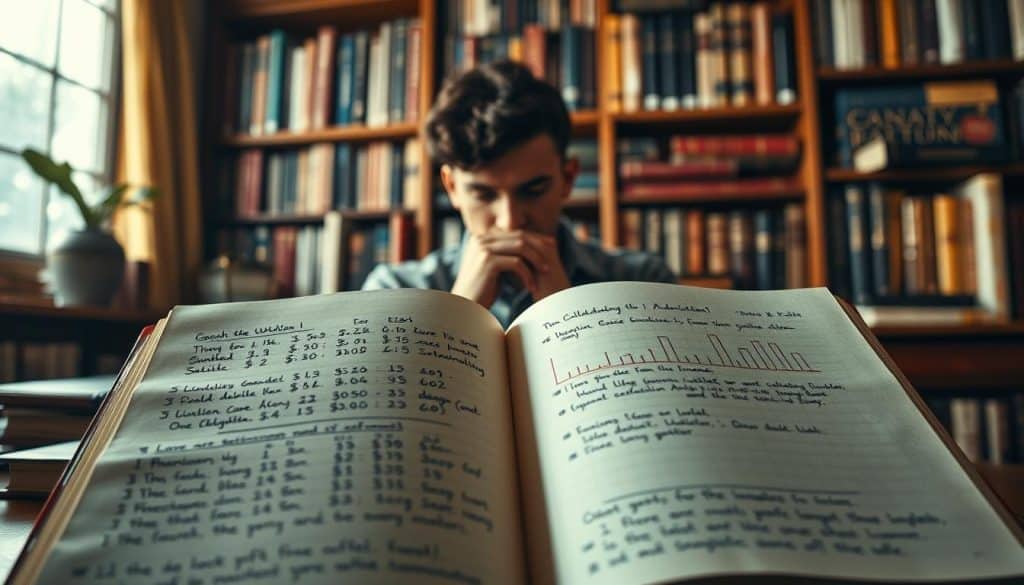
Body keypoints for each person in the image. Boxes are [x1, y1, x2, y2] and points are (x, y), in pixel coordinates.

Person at [363, 60, 675, 327]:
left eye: (533, 190)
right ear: (452, 188)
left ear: (568, 179)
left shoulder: (645, 283)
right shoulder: (392, 292)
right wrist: (459, 310)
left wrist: (570, 314)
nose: (510, 221)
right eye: (484, 194)